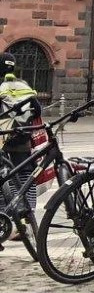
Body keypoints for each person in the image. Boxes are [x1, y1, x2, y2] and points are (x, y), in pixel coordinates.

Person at [0, 58, 42, 238]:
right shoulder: (23, 85)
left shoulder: (1, 87)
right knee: (26, 178)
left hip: (3, 141)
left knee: (3, 180)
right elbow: (38, 110)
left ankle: (5, 221)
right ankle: (28, 222)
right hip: (23, 140)